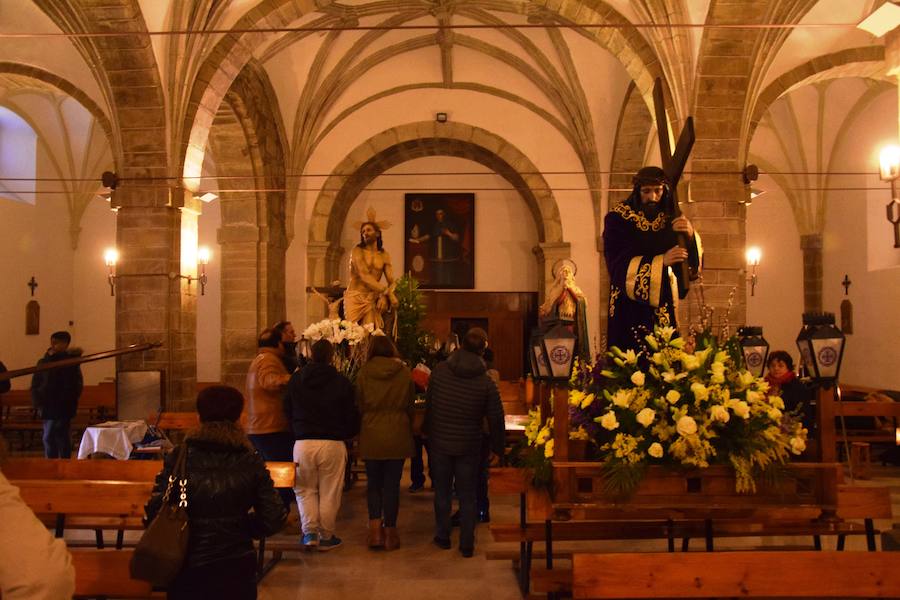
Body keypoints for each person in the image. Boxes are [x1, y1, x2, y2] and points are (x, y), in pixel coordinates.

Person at [144, 386, 286, 600]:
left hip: (186, 560)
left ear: (199, 416)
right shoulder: (249, 459)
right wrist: (241, 527)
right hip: (236, 563)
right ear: (238, 417)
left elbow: (156, 507)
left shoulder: (180, 456)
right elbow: (273, 516)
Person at [425, 327, 505, 558]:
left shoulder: (440, 371)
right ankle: (467, 544)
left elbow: (430, 404)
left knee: (442, 492)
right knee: (468, 494)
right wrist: (498, 449)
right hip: (470, 444)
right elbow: (496, 417)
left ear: (460, 347)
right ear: (483, 350)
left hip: (440, 441)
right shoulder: (485, 381)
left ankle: (443, 536)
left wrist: (428, 432)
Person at [603, 166, 702, 352]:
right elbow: (616, 265)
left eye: (658, 191)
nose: (653, 197)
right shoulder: (618, 219)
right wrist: (661, 262)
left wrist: (689, 236)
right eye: (646, 191)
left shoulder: (670, 218)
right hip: (628, 304)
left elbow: (690, 268)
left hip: (663, 300)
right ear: (637, 191)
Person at [285, 339, 360, 551]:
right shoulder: (341, 381)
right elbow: (351, 412)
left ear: (310, 355)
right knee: (330, 491)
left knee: (304, 489)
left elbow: (287, 407)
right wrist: (347, 433)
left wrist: (296, 428)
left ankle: (309, 533)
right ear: (331, 357)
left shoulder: (297, 379)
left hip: (303, 441)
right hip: (332, 442)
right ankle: (326, 536)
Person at [355, 335, 416, 551]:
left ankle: (375, 533)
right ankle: (391, 532)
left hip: (372, 431)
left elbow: (359, 404)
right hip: (397, 431)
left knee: (374, 485)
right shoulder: (404, 373)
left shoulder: (363, 372)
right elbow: (410, 404)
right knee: (392, 485)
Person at [244, 328, 294, 509]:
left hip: (261, 425)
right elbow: (269, 380)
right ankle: (281, 513)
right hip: (270, 426)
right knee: (282, 472)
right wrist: (293, 378)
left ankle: (278, 511)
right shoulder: (268, 360)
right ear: (279, 344)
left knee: (275, 470)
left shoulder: (260, 358)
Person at [30, 331, 83, 458]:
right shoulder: (44, 362)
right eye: (52, 342)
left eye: (56, 343)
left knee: (61, 435)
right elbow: (36, 382)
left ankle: (64, 462)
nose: (53, 345)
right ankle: (51, 463)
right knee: (48, 437)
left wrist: (71, 400)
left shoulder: (71, 363)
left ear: (65, 344)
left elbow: (76, 385)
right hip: (47, 404)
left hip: (63, 405)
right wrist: (37, 400)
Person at [343, 220, 398, 331]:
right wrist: (388, 293)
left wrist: (384, 296)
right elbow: (364, 276)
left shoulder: (384, 255)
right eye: (363, 231)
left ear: (377, 233)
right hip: (355, 296)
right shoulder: (357, 251)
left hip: (370, 299)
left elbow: (392, 281)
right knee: (353, 336)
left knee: (369, 333)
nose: (365, 233)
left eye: (368, 230)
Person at [539, 258, 590, 360]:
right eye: (563, 272)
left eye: (568, 272)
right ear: (559, 276)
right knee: (561, 348)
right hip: (559, 324)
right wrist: (563, 292)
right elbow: (551, 305)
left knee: (573, 348)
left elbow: (582, 302)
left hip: (573, 324)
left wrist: (569, 290)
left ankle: (575, 367)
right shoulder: (554, 291)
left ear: (572, 276)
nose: (566, 274)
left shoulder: (576, 290)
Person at [410, 208, 461, 286]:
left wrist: (448, 233)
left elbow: (457, 238)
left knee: (448, 278)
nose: (438, 216)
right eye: (437, 214)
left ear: (444, 214)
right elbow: (428, 236)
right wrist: (417, 240)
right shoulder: (435, 225)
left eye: (440, 213)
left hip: (448, 256)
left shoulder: (450, 224)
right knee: (439, 278)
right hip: (437, 257)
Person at [765, 350, 814, 432]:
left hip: (791, 429)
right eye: (773, 366)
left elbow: (802, 413)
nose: (776, 368)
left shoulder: (797, 386)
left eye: (780, 366)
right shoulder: (765, 384)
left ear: (788, 368)